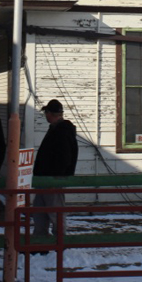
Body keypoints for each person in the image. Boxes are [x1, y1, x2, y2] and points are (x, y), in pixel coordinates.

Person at [32, 99, 79, 236]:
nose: (46, 115)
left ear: (50, 113)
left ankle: (59, 242)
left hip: (51, 180)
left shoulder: (61, 131)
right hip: (45, 179)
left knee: (54, 212)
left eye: (46, 112)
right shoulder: (58, 129)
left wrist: (55, 178)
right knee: (41, 212)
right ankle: (42, 240)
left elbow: (64, 158)